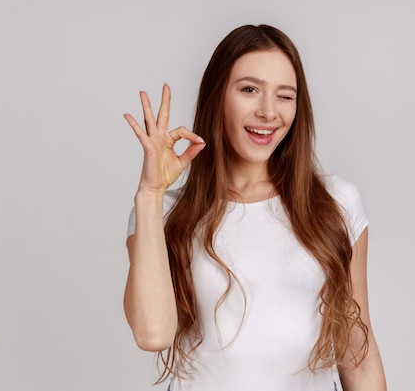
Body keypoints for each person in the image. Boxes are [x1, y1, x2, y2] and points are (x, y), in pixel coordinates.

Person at [123, 24, 386, 391]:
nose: (268, 112)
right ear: (218, 97)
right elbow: (153, 334)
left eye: (285, 96)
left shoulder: (335, 203)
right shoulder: (164, 213)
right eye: (250, 90)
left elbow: (358, 353)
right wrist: (150, 194)